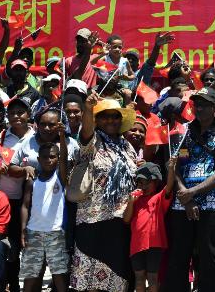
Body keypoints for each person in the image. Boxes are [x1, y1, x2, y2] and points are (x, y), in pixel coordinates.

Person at [164, 87, 215, 292]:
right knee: (178, 258)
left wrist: (192, 194)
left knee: (210, 260)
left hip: (211, 205)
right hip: (181, 205)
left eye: (204, 105)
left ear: (214, 107)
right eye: (196, 104)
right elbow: (176, 166)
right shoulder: (184, 132)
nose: (199, 108)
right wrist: (186, 197)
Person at [71, 93, 138, 292]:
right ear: (97, 120)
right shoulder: (92, 140)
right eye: (105, 116)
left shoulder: (127, 146)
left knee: (117, 280)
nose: (110, 120)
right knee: (89, 283)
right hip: (92, 221)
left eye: (115, 116)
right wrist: (88, 108)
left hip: (120, 222)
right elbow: (85, 132)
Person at [0, 96, 34, 292]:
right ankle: (9, 282)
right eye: (12, 112)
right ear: (7, 115)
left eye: (21, 112)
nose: (16, 116)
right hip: (2, 200)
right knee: (6, 245)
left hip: (28, 201)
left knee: (23, 243)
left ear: (28, 115)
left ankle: (19, 282)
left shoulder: (37, 136)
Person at [20, 141, 69, 292]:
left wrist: (61, 135)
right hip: (33, 232)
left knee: (58, 272)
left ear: (58, 158)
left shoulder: (60, 177)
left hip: (55, 233)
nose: (49, 160)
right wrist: (23, 230)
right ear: (39, 159)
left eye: (53, 157)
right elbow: (25, 206)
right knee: (30, 273)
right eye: (45, 157)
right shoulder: (32, 180)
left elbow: (65, 158)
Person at [123, 159, 177, 292]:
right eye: (140, 182)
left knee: (153, 278)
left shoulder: (159, 198)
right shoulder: (135, 200)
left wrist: (171, 168)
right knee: (139, 277)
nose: (143, 185)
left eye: (147, 182)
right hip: (136, 245)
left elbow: (169, 186)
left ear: (156, 182)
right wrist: (130, 202)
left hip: (155, 245)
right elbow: (126, 220)